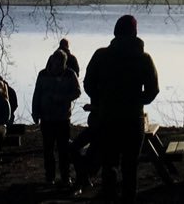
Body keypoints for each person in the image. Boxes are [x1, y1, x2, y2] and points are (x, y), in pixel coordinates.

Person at [83, 15, 159, 203]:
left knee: (109, 163)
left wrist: (101, 100)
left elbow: (88, 83)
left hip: (107, 118)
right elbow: (153, 90)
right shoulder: (143, 58)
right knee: (130, 166)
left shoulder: (101, 55)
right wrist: (138, 100)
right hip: (134, 120)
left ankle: (108, 197)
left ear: (116, 32)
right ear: (135, 33)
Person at [33, 50, 82, 186]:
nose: (57, 65)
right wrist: (35, 112)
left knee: (63, 149)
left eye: (60, 62)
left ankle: (65, 177)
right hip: (46, 117)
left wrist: (62, 98)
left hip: (62, 118)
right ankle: (50, 177)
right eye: (56, 61)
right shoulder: (43, 74)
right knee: (48, 149)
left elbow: (77, 91)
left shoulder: (70, 74)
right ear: (52, 60)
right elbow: (37, 93)